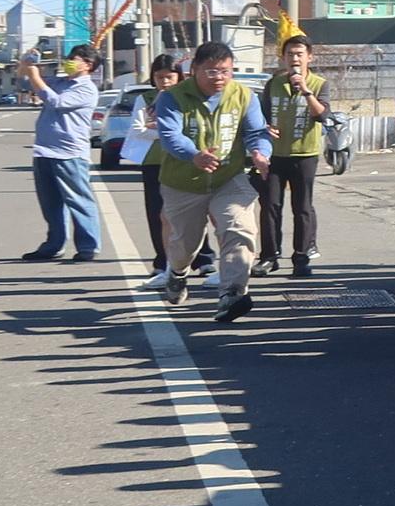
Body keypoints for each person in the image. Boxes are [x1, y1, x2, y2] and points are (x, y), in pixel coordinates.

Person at [153, 40, 273, 323]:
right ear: (194, 69)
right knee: (185, 244)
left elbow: (257, 132)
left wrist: (260, 153)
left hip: (228, 177)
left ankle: (232, 294)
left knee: (239, 228)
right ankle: (177, 273)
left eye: (225, 71)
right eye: (210, 71)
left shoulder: (244, 96)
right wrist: (194, 154)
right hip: (183, 181)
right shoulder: (173, 97)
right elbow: (170, 136)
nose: (218, 77)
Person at [18, 43, 104, 262]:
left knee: (78, 199)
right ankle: (54, 244)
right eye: (69, 57)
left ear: (88, 65)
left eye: (74, 58)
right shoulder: (60, 81)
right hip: (44, 150)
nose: (69, 61)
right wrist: (26, 64)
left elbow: (55, 101)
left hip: (70, 152)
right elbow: (24, 84)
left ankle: (88, 245)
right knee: (51, 203)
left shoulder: (86, 88)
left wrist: (36, 74)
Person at [255, 33, 329, 277]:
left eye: (299, 54)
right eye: (289, 54)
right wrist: (265, 127)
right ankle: (269, 256)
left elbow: (321, 115)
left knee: (303, 207)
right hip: (275, 155)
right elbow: (261, 116)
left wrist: (306, 91)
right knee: (270, 205)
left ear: (309, 57)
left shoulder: (319, 83)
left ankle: (301, 256)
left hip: (304, 153)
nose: (294, 59)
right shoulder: (273, 83)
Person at [127, 53, 184, 290]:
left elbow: (187, 129)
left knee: (188, 212)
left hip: (182, 160)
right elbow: (138, 130)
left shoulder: (185, 97)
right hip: (153, 161)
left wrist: (159, 127)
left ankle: (201, 258)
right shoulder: (145, 98)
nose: (165, 82)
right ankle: (161, 261)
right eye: (159, 77)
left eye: (169, 77)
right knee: (156, 212)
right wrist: (166, 130)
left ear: (178, 77)